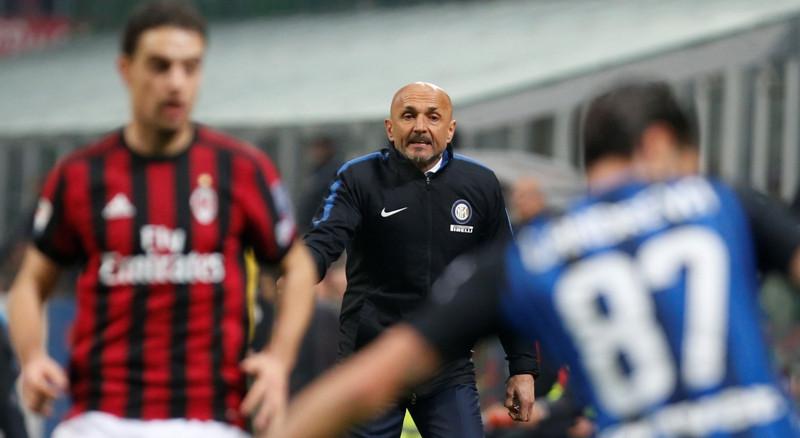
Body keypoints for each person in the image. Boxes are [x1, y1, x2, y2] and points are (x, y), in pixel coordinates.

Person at [269, 80, 800, 438]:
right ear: (659, 144)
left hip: (434, 364)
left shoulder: (534, 254)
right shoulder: (723, 202)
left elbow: (367, 381)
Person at [6, 1, 317, 437]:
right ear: (126, 69)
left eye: (190, 67)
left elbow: (298, 266)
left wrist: (279, 361)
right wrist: (32, 357)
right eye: (160, 66)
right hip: (101, 419)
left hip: (210, 419)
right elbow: (30, 282)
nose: (176, 83)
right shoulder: (80, 175)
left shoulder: (242, 169)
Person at [303, 81, 538, 437]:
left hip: (447, 365)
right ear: (390, 127)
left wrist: (522, 367)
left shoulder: (480, 185)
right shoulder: (359, 178)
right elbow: (324, 237)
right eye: (408, 116)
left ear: (450, 129)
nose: (420, 127)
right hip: (371, 361)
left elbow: (507, 277)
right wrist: (301, 270)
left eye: (433, 117)